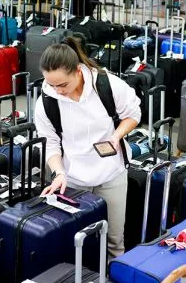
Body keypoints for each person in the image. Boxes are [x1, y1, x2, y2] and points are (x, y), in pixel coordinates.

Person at [34, 38, 141, 256]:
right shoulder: (46, 101)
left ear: (78, 72)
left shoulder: (106, 84)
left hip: (111, 174)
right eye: (51, 84)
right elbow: (51, 143)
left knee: (114, 239)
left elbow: (133, 114)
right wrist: (59, 173)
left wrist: (116, 136)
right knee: (77, 242)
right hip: (73, 180)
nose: (58, 90)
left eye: (63, 84)